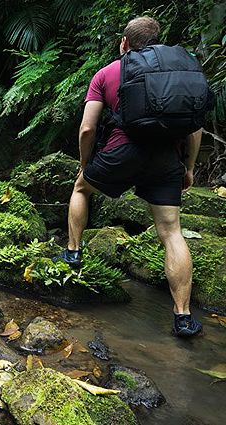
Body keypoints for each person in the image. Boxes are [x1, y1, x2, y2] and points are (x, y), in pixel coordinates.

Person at [54, 16, 203, 338]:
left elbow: (88, 128)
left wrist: (85, 163)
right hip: (165, 160)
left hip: (121, 153)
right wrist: (188, 168)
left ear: (124, 42)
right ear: (158, 42)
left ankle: (73, 251)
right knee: (172, 232)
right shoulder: (178, 74)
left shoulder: (107, 73)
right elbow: (194, 128)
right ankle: (183, 317)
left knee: (81, 189)